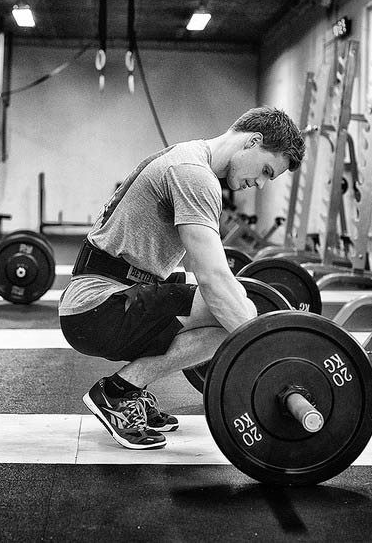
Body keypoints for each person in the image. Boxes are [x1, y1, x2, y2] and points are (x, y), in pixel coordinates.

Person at [59, 106, 305, 449]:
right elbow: (214, 281)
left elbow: (201, 268)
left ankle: (133, 389)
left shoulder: (188, 158)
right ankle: (117, 392)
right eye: (265, 170)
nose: (260, 184)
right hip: (97, 307)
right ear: (253, 140)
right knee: (231, 309)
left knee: (227, 305)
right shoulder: (194, 174)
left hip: (104, 299)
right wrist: (268, 353)